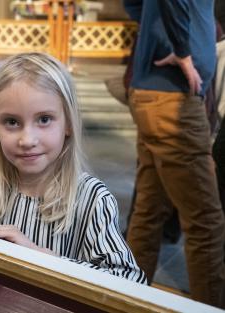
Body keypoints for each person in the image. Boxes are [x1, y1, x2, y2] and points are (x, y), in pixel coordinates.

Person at [0, 52, 147, 283]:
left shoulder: (93, 199)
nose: (28, 140)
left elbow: (129, 280)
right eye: (12, 122)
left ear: (68, 123)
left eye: (44, 119)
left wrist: (36, 255)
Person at [124, 0, 225, 306]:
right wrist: (181, 50)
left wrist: (161, 36)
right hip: (173, 99)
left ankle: (126, 300)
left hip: (152, 92)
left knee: (148, 214)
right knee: (206, 222)